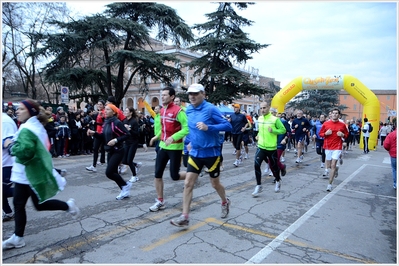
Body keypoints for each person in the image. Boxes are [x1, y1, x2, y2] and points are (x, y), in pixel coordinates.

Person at [2, 99, 79, 250]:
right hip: (25, 173)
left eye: (22, 109)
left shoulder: (29, 129)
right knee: (21, 204)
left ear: (30, 112)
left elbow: (26, 151)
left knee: (35, 204)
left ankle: (68, 206)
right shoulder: (32, 126)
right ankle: (18, 237)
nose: (17, 111)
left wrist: (10, 146)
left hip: (29, 174)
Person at [170, 84, 232, 227]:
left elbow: (228, 126)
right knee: (188, 183)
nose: (192, 96)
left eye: (195, 94)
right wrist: (190, 142)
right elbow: (191, 129)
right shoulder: (189, 110)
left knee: (215, 184)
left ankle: (224, 201)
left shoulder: (210, 109)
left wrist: (208, 127)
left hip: (212, 153)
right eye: (190, 94)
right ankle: (184, 216)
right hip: (195, 152)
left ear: (203, 94)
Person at [148, 86, 189, 212]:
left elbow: (186, 128)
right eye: (162, 94)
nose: (162, 97)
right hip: (162, 146)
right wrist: (156, 137)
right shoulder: (162, 111)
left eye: (165, 95)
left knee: (174, 176)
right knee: (157, 174)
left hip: (175, 147)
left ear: (172, 97)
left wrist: (173, 138)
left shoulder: (179, 111)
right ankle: (160, 201)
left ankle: (192, 175)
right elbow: (163, 130)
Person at [87, 104, 132, 200]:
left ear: (114, 112)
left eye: (108, 109)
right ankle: (124, 190)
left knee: (109, 172)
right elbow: (103, 136)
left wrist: (116, 140)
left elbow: (127, 134)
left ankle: (125, 185)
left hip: (118, 150)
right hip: (110, 150)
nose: (105, 111)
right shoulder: (106, 122)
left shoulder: (117, 122)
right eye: (105, 109)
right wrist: (94, 133)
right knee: (114, 172)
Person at [252, 101, 287, 196]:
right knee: (256, 165)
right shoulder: (260, 118)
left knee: (274, 167)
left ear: (268, 108)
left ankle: (278, 181)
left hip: (271, 148)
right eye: (261, 108)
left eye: (264, 108)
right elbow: (260, 131)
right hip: (261, 147)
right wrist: (258, 136)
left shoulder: (275, 119)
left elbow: (283, 130)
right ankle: (258, 186)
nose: (262, 110)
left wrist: (274, 130)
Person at [318, 108, 349, 192]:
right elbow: (320, 134)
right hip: (328, 146)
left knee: (333, 165)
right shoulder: (326, 124)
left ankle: (329, 184)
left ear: (339, 115)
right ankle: (336, 169)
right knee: (328, 165)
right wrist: (325, 134)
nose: (334, 115)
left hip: (337, 147)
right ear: (331, 114)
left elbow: (346, 134)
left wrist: (343, 135)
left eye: (336, 113)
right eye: (333, 113)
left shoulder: (342, 125)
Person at [2, 112, 18, 221]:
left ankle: (29, 190)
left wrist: (7, 144)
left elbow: (10, 141)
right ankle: (8, 212)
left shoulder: (5, 122)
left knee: (3, 191)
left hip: (6, 164)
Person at [122, 107, 142, 183]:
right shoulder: (124, 121)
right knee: (124, 160)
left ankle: (134, 176)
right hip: (126, 142)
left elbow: (137, 134)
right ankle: (136, 165)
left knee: (129, 160)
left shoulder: (134, 122)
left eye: (127, 111)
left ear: (131, 113)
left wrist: (130, 130)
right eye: (125, 110)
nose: (125, 112)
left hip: (133, 142)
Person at [86, 100, 106, 172]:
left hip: (103, 132)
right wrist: (95, 123)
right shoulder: (98, 113)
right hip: (97, 132)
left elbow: (105, 123)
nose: (99, 106)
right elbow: (97, 123)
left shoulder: (104, 112)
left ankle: (118, 164)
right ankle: (94, 165)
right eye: (98, 104)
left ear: (103, 105)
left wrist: (98, 121)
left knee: (107, 148)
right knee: (95, 148)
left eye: (100, 104)